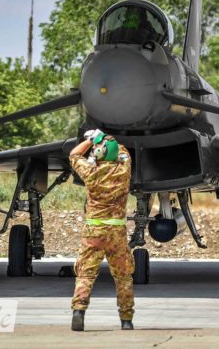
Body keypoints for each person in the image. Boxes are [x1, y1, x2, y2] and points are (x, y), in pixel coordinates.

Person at [69, 129, 135, 330]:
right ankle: (126, 320)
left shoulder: (90, 172)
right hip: (116, 233)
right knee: (123, 277)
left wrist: (91, 140)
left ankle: (79, 311)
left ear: (99, 153)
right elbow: (123, 152)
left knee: (86, 274)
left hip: (94, 231)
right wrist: (107, 139)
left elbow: (74, 155)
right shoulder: (123, 170)